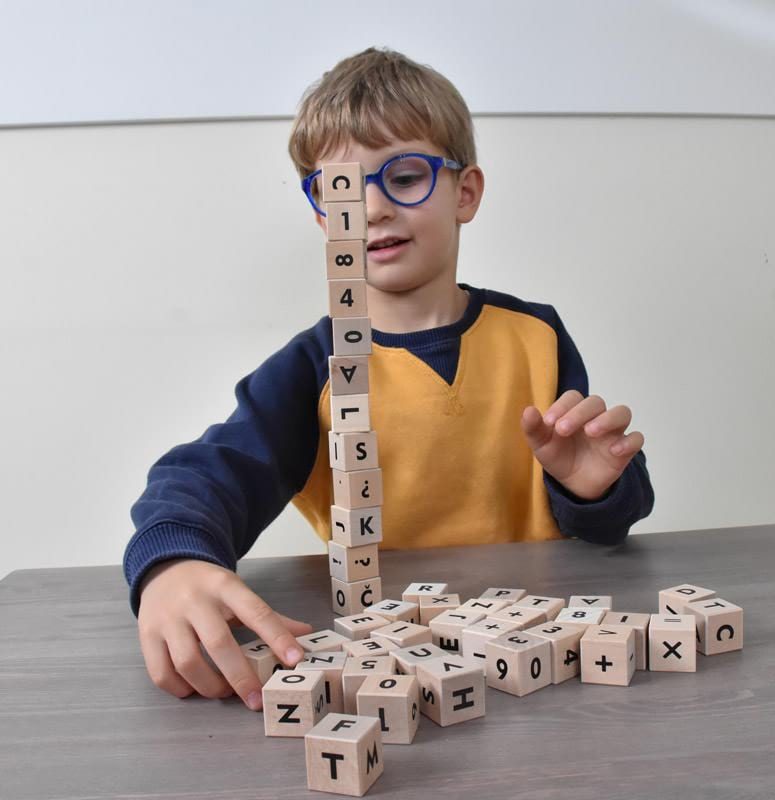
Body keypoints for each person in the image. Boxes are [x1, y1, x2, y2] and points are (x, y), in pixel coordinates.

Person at [124, 47, 654, 713]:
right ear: (322, 215)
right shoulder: (311, 369)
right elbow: (209, 472)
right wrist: (174, 563)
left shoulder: (537, 336)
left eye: (404, 177)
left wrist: (593, 488)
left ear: (466, 193)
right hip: (393, 673)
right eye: (339, 190)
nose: (372, 208)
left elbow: (613, 521)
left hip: (542, 667)